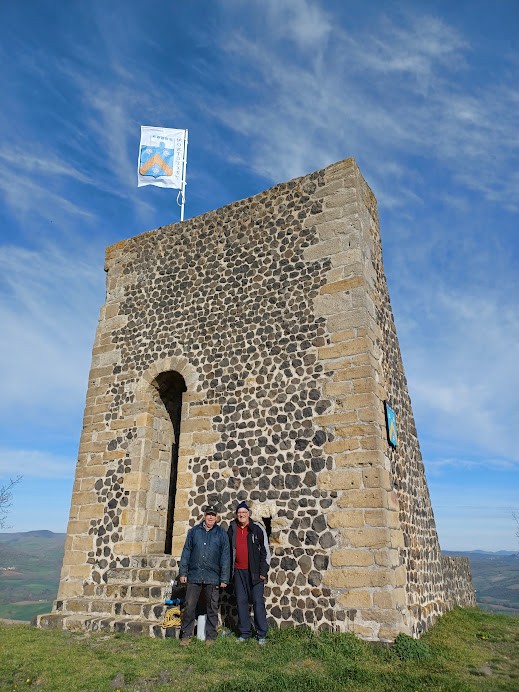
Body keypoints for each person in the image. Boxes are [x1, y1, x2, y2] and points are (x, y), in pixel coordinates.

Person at [178, 505, 230, 646]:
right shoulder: (194, 532)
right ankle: (186, 635)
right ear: (204, 516)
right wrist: (183, 572)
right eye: (208, 515)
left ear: (216, 517)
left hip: (213, 576)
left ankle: (210, 637)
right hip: (194, 575)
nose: (211, 517)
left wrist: (224, 578)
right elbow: (186, 552)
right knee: (189, 606)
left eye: (213, 515)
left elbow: (225, 556)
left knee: (212, 607)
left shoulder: (221, 533)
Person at [228, 501, 271, 645]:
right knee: (241, 602)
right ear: (237, 514)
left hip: (255, 573)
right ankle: (245, 632)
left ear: (248, 514)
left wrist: (263, 572)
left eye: (244, 513)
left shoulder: (257, 528)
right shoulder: (232, 527)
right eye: (239, 513)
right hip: (238, 572)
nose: (241, 515)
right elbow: (228, 550)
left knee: (258, 602)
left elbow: (265, 551)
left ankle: (261, 634)